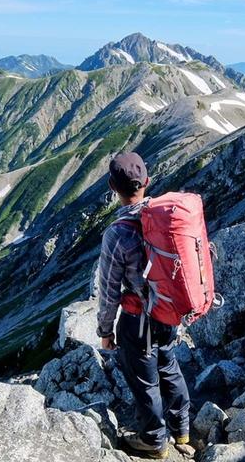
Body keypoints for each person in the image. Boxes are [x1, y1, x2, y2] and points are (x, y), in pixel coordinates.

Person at [96, 152, 190, 460]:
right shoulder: (165, 218)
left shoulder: (118, 233)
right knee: (167, 362)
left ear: (113, 186)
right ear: (147, 182)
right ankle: (182, 429)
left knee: (143, 378)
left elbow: (109, 289)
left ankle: (153, 441)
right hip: (169, 310)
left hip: (138, 319)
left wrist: (105, 331)